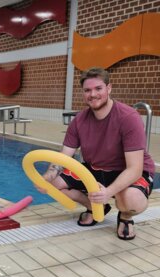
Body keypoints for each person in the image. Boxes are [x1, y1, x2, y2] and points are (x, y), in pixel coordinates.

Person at [36, 67, 154, 241]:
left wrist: (109, 191)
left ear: (109, 88)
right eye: (87, 90)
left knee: (130, 200)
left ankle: (126, 217)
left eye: (98, 88)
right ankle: (94, 205)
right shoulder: (79, 121)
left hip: (127, 170)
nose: (93, 94)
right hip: (96, 169)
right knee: (53, 183)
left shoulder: (128, 117)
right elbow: (63, 158)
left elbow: (134, 169)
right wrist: (47, 177)